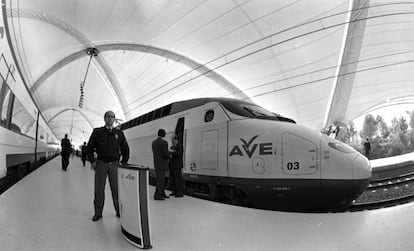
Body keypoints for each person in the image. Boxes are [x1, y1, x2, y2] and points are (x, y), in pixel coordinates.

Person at [87, 111, 129, 222]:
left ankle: (119, 211)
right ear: (104, 118)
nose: (110, 119)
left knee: (116, 189)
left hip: (114, 165)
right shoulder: (97, 132)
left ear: (114, 119)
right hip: (101, 164)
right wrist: (92, 161)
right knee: (99, 189)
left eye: (112, 117)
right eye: (108, 117)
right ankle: (98, 213)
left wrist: (124, 161)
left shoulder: (119, 133)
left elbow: (125, 147)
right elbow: (89, 147)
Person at [152, 129, 171, 200]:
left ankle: (162, 194)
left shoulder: (154, 142)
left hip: (156, 164)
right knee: (161, 181)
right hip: (162, 164)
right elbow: (165, 154)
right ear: (164, 134)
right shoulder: (164, 142)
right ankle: (157, 196)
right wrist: (170, 156)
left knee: (160, 180)